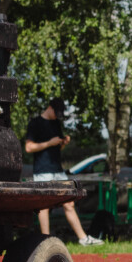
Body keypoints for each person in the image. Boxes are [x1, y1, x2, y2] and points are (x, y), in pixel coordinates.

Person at [23, 98, 101, 246]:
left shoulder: (56, 123)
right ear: (50, 108)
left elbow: (57, 148)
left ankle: (83, 238)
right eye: (56, 113)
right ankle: (45, 240)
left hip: (58, 170)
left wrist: (63, 143)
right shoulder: (35, 123)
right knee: (44, 207)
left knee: (69, 203)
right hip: (42, 171)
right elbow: (29, 148)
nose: (57, 116)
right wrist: (49, 143)